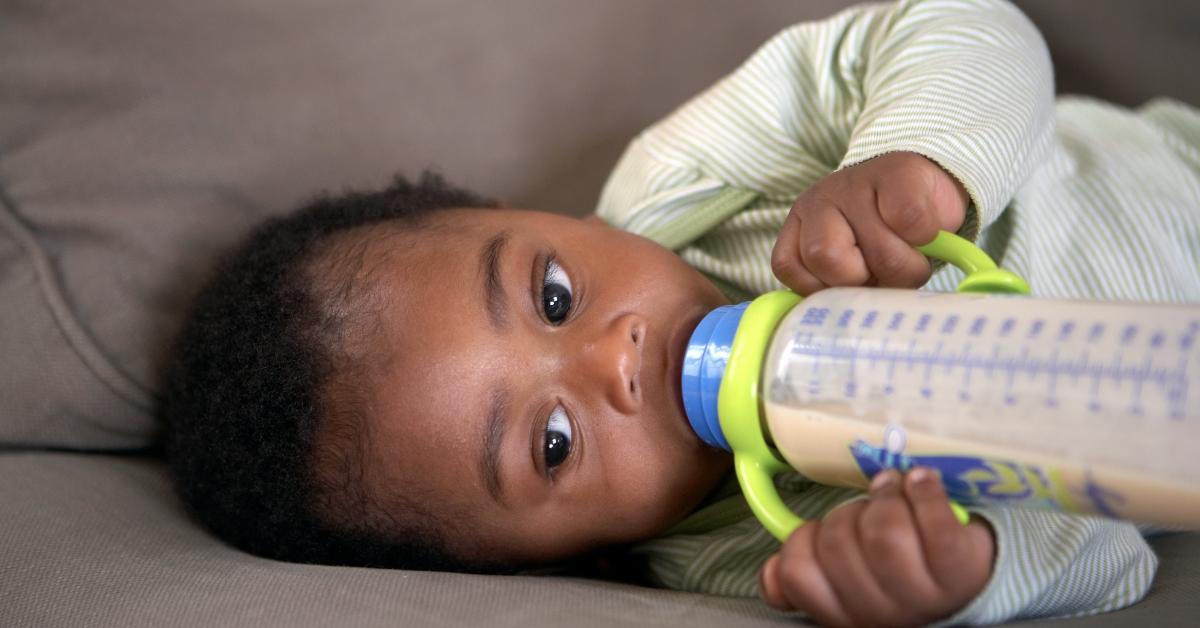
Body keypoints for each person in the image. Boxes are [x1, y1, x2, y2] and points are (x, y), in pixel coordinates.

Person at [161, 0, 1199, 625]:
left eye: (553, 294)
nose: (613, 362)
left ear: (534, 214)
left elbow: (962, 28)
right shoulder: (751, 558)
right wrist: (958, 571)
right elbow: (1121, 554)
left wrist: (914, 163)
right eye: (554, 444)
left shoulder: (690, 183)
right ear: (549, 565)